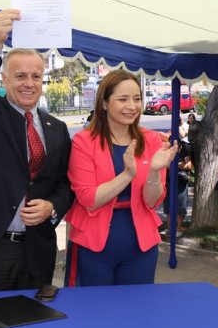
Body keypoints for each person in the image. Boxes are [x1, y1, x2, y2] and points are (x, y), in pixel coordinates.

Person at [0, 9, 74, 292]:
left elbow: (66, 184)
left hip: (38, 249)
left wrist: (53, 206)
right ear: (4, 79)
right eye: (20, 75)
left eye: (36, 76)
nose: (28, 84)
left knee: (34, 327)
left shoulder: (56, 128)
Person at [65, 69, 178, 287]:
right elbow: (89, 198)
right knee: (93, 313)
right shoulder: (84, 141)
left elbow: (153, 201)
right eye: (123, 99)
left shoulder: (152, 140)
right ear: (105, 103)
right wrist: (127, 175)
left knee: (136, 313)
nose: (132, 106)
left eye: (137, 99)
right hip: (93, 247)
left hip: (141, 249)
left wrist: (154, 171)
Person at [163, 140, 192, 235]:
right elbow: (166, 165)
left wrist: (175, 164)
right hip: (169, 182)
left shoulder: (185, 150)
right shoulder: (166, 153)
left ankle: (178, 228)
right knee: (168, 206)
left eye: (177, 146)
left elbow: (188, 166)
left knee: (181, 206)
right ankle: (169, 228)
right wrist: (180, 165)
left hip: (181, 182)